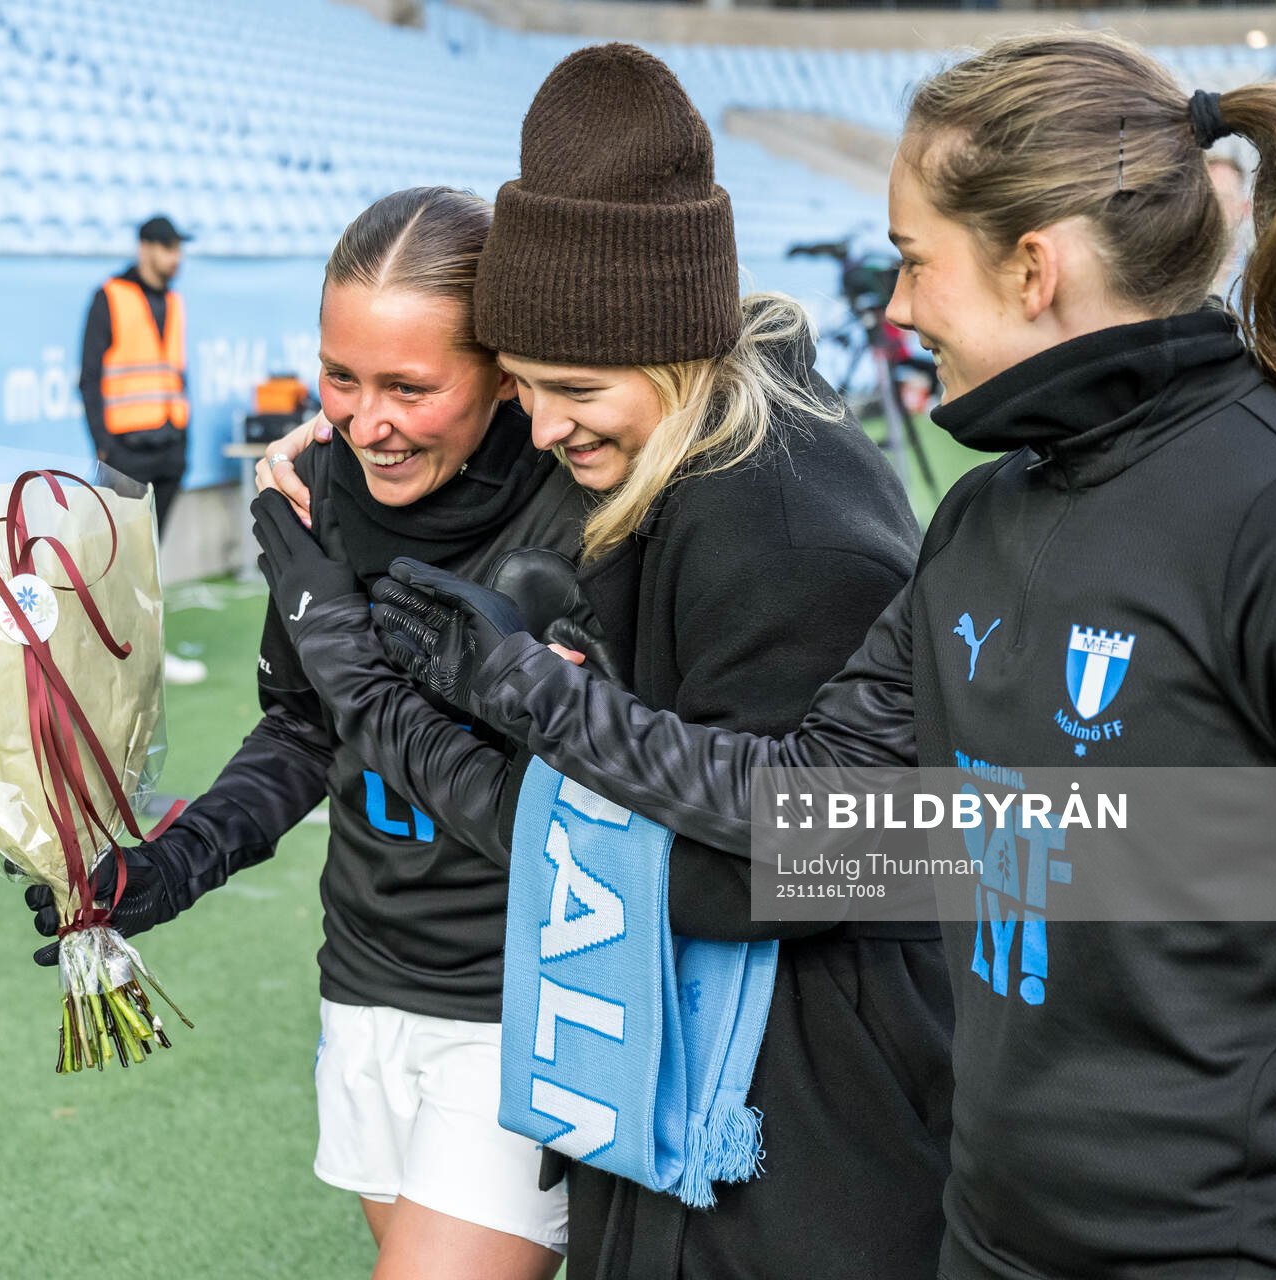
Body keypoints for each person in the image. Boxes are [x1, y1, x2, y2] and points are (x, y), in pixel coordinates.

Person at [371, 31, 1276, 1280]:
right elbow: (805, 816)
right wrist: (516, 687)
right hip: (989, 1240)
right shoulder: (983, 519)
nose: (899, 305)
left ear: (1034, 267)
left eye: (917, 261)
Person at [255, 43, 953, 1280]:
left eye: (573, 384)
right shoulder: (680, 461)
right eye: (519, 382)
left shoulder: (779, 520)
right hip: (684, 1081)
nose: (542, 422)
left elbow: (781, 865)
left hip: (795, 1130)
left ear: (679, 351)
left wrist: (383, 680)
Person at [36, 188, 595, 1279]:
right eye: (343, 376)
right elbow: (303, 726)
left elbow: (564, 795)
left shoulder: (575, 507)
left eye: (409, 386)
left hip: (524, 1005)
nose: (366, 419)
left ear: (501, 371)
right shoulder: (322, 490)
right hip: (366, 980)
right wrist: (176, 860)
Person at [79, 214, 202, 684]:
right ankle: (115, 656)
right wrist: (104, 448)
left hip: (170, 450)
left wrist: (184, 445)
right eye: (169, 247)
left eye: (178, 247)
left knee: (148, 557)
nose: (177, 257)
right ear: (145, 248)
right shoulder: (108, 297)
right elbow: (91, 378)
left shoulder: (174, 302)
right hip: (127, 452)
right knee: (121, 559)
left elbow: (175, 375)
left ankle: (145, 654)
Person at [1207, 153, 1251, 295]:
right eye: (1206, 198)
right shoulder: (1170, 272)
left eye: (1224, 199)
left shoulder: (1261, 278)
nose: (1212, 209)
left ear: (1245, 208)